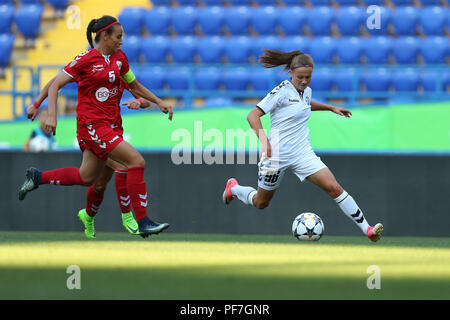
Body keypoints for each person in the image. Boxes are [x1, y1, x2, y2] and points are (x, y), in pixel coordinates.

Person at [18, 15, 173, 239]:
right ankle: (141, 220)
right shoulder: (85, 60)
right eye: (118, 37)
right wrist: (48, 112)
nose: (121, 41)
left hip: (112, 125)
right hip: (92, 125)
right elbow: (55, 85)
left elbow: (134, 85)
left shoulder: (120, 59)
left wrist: (157, 102)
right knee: (134, 162)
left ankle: (38, 177)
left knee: (89, 178)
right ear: (105, 36)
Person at [222, 49, 383, 242]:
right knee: (261, 202)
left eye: (308, 77)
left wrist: (330, 108)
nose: (304, 81)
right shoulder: (281, 91)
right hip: (276, 156)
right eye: (300, 77)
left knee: (334, 187)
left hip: (302, 153)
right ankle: (234, 189)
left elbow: (306, 103)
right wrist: (264, 142)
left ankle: (368, 229)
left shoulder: (306, 92)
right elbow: (252, 115)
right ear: (290, 72)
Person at [25, 74, 154, 238]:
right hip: (92, 131)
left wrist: (140, 102)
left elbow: (145, 99)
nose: (119, 46)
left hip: (113, 132)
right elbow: (55, 82)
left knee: (95, 181)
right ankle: (128, 217)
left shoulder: (118, 67)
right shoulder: (88, 64)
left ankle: (85, 213)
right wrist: (37, 104)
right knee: (124, 164)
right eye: (117, 45)